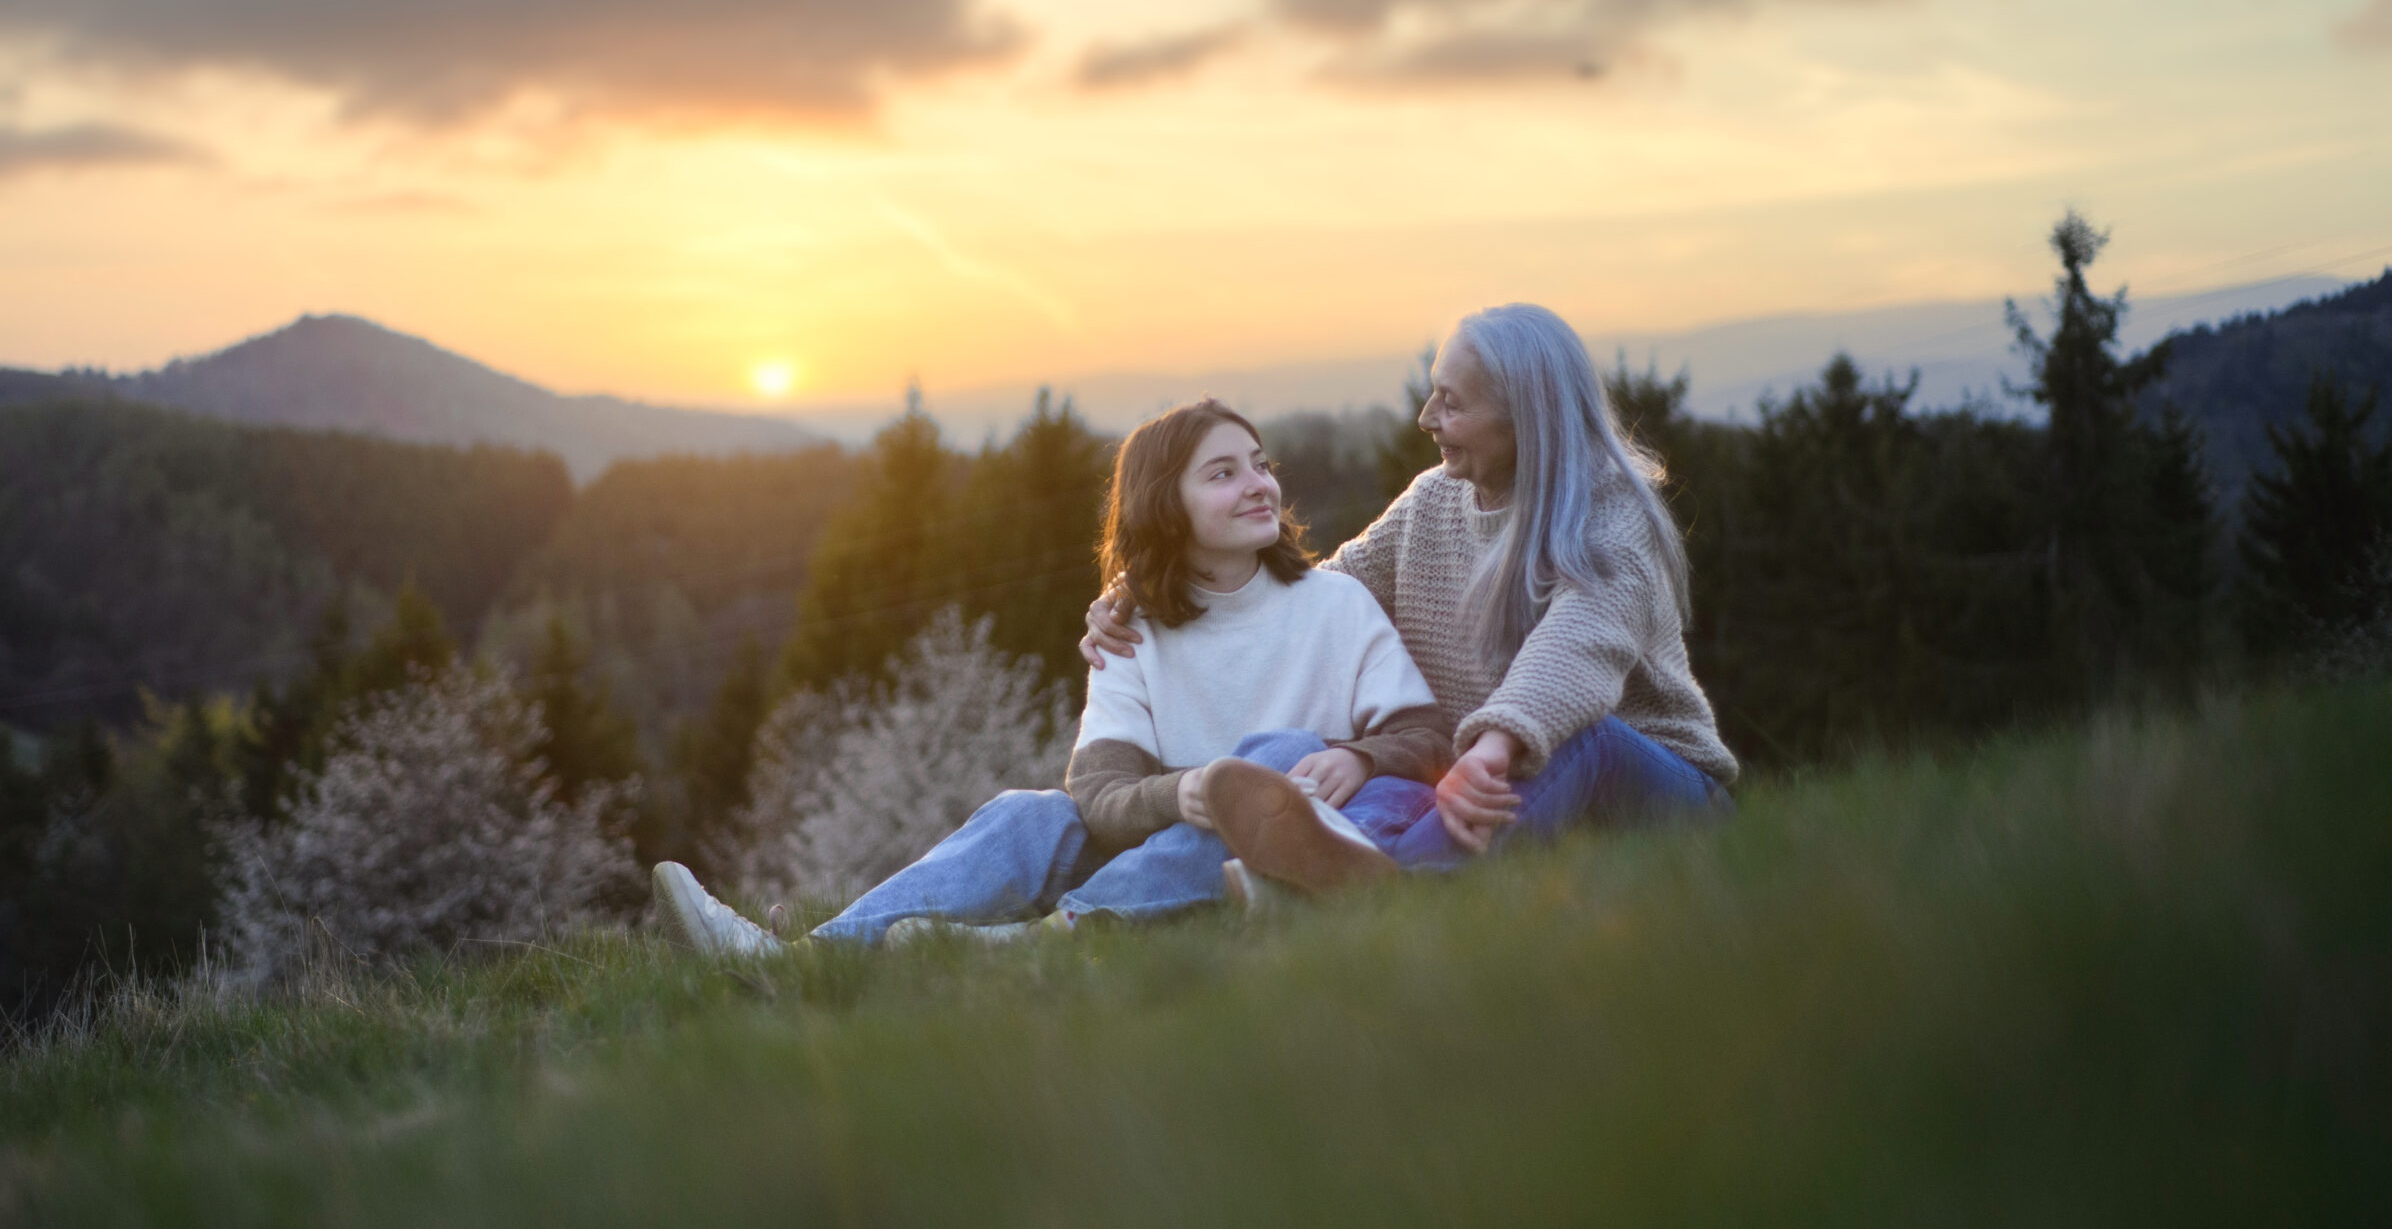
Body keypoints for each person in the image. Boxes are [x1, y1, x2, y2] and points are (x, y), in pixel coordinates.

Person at [651, 398, 1454, 957]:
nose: (1258, 484)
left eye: (1260, 463)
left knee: (1270, 761)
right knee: (1031, 814)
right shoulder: (1131, 630)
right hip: (1153, 841)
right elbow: (1097, 796)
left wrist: (1357, 757)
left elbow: (1425, 736)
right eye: (1222, 473)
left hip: (1274, 857)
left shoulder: (1335, 604)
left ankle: (1043, 945)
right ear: (1163, 507)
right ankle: (804, 958)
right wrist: (1189, 792)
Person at [1086, 303, 1737, 889]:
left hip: (1655, 785)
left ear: (1523, 417)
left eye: (1450, 403)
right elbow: (1319, 598)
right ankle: (1306, 878)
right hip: (1484, 778)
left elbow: (1578, 644)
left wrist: (1494, 743)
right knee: (1381, 780)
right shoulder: (1433, 500)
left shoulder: (1614, 511)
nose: (1427, 418)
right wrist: (1142, 589)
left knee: (1582, 738)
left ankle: (1396, 889)